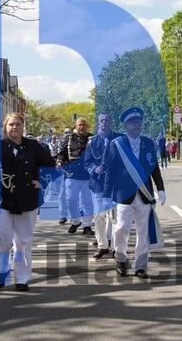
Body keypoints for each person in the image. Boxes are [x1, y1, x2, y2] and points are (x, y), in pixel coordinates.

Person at [0, 112, 58, 290]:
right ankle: (3, 269)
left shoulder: (34, 146)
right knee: (1, 236)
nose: (14, 127)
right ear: (5, 127)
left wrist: (42, 181)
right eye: (11, 124)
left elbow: (50, 165)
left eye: (18, 124)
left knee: (22, 240)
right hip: (0, 198)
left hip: (27, 197)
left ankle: (21, 278)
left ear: (23, 127)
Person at [103, 106, 166, 279]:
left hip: (144, 194)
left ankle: (140, 265)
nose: (136, 125)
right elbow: (110, 171)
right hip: (124, 195)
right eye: (132, 123)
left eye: (138, 122)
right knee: (121, 228)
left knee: (143, 231)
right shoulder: (117, 145)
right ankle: (121, 258)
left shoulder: (148, 143)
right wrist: (106, 196)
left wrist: (160, 188)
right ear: (125, 126)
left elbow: (154, 168)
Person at [84, 111, 121, 259]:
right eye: (101, 121)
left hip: (115, 184)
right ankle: (102, 245)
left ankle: (114, 245)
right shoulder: (92, 142)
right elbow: (87, 162)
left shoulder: (119, 139)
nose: (104, 123)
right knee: (99, 216)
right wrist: (95, 169)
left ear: (111, 122)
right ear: (98, 123)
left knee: (115, 217)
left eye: (107, 120)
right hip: (98, 184)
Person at [57, 116, 94, 235]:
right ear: (76, 126)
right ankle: (76, 220)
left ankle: (87, 225)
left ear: (87, 126)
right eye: (79, 125)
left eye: (83, 125)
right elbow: (62, 154)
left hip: (87, 174)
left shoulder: (93, 139)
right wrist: (59, 161)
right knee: (71, 199)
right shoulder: (69, 139)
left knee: (87, 201)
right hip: (72, 173)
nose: (81, 127)